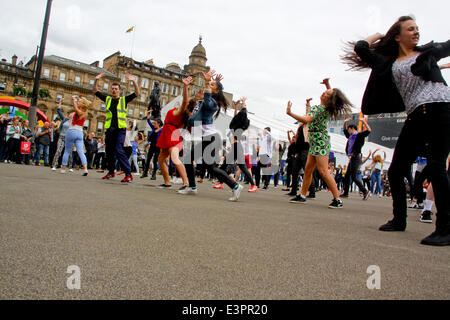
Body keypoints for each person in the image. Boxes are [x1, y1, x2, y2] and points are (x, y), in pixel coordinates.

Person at [345, 15, 450, 245]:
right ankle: (398, 219)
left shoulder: (428, 52)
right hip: (415, 115)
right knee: (396, 170)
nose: (416, 32)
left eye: (417, 29)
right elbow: (361, 48)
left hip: (440, 110)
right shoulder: (388, 62)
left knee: (436, 166)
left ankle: (445, 228)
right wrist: (380, 36)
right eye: (410, 29)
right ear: (398, 35)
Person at [287, 78, 352, 208]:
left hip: (320, 142)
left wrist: (290, 113)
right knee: (308, 170)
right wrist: (327, 85)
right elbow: (331, 94)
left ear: (329, 100)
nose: (324, 93)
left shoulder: (319, 109)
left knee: (323, 171)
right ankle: (303, 195)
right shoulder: (326, 108)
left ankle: (338, 199)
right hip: (317, 141)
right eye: (325, 92)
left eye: (326, 94)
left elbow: (306, 119)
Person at [182, 70, 244, 201]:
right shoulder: (208, 100)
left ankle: (235, 186)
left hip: (211, 139)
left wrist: (207, 82)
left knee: (210, 167)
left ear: (215, 91)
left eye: (212, 85)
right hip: (209, 138)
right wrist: (213, 83)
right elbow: (205, 99)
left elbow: (208, 100)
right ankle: (192, 188)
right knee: (195, 162)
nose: (209, 86)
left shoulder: (213, 104)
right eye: (210, 84)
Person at [93, 72, 140, 183]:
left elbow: (137, 93)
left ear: (120, 90)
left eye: (116, 89)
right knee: (109, 152)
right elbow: (95, 91)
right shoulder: (108, 99)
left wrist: (133, 81)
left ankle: (128, 173)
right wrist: (96, 80)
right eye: (112, 89)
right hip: (110, 129)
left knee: (119, 150)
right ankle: (111, 172)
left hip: (120, 129)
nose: (114, 90)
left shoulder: (124, 100)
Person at [156, 76, 194, 189]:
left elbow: (185, 101)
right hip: (167, 133)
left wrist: (185, 86)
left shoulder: (180, 111)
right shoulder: (180, 112)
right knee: (161, 159)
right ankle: (167, 182)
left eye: (186, 101)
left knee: (174, 158)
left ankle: (186, 182)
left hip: (172, 134)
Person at [227, 97, 258, 193]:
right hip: (235, 145)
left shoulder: (242, 124)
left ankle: (252, 185)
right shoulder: (239, 122)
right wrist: (237, 106)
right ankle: (224, 182)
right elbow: (237, 116)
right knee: (232, 166)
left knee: (242, 167)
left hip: (237, 146)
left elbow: (240, 115)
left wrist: (243, 103)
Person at [60, 96, 92, 176]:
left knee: (67, 150)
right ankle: (85, 168)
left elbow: (75, 111)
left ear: (82, 104)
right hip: (80, 132)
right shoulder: (85, 113)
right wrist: (77, 100)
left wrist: (74, 100)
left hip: (72, 131)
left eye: (79, 102)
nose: (78, 103)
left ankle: (63, 168)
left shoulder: (79, 112)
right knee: (81, 151)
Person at [340, 118, 371, 200]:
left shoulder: (359, 135)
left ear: (352, 128)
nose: (348, 131)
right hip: (352, 158)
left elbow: (369, 130)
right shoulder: (350, 136)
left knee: (353, 177)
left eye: (349, 129)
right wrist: (345, 122)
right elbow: (344, 130)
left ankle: (365, 191)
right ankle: (346, 193)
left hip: (356, 157)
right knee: (347, 176)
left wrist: (364, 122)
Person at [52, 98, 73, 171]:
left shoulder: (74, 123)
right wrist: (60, 102)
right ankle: (54, 165)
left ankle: (70, 167)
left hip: (69, 139)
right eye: (70, 114)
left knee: (69, 153)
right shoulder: (64, 119)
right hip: (62, 137)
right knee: (58, 151)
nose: (70, 115)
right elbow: (59, 111)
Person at [141, 112, 163, 180]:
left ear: (159, 124)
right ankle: (145, 173)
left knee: (155, 160)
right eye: (154, 123)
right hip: (152, 146)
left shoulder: (162, 130)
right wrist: (148, 115)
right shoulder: (153, 129)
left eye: (155, 123)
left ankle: (154, 175)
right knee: (148, 159)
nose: (154, 124)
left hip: (158, 147)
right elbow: (149, 121)